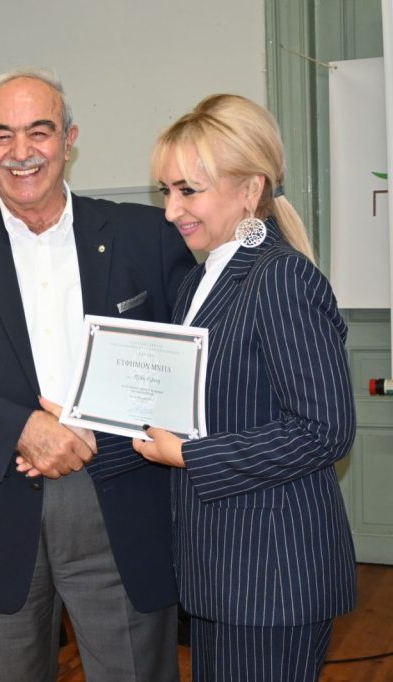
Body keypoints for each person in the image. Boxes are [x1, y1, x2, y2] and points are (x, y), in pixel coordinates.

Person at [0, 69, 195, 681]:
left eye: (39, 131)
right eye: (1, 135)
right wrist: (23, 429)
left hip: (119, 500)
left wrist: (102, 430)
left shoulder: (145, 236)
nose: (21, 151)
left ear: (69, 140)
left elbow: (188, 363)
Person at [135, 94, 357, 681]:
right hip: (220, 570)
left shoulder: (280, 277)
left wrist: (189, 455)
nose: (171, 210)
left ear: (250, 188)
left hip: (271, 576)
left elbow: (324, 430)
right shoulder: (201, 280)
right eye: (166, 191)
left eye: (189, 190)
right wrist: (91, 409)